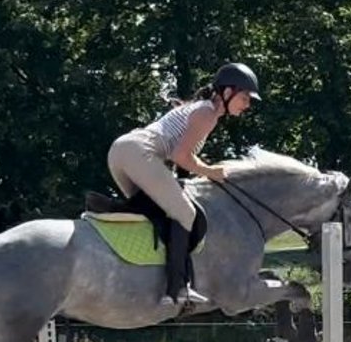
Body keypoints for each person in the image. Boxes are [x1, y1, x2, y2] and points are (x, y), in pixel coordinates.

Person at [107, 62, 261, 306]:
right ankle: (177, 290)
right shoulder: (207, 113)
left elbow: (181, 159)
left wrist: (200, 171)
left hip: (121, 153)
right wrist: (211, 172)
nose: (248, 105)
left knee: (157, 216)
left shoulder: (202, 111)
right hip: (139, 153)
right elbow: (181, 156)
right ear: (228, 93)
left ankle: (141, 281)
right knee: (185, 214)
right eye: (245, 98)